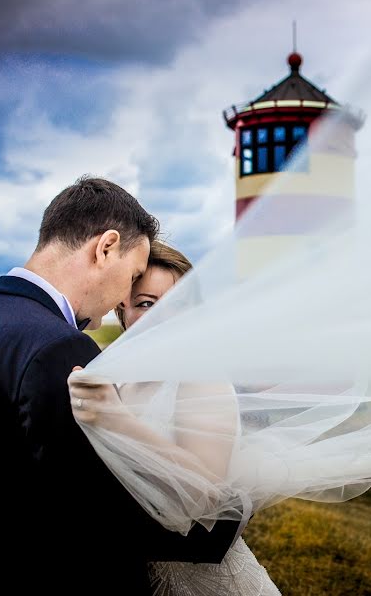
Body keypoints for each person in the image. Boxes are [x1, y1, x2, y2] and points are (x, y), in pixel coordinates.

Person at [0, 177, 241, 595]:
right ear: (105, 248)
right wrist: (222, 524)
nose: (125, 305)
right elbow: (87, 508)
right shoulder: (61, 349)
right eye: (132, 285)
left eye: (148, 299)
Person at [71, 241, 281, 596]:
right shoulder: (117, 376)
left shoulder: (202, 379)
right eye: (142, 303)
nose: (153, 317)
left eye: (171, 305)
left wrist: (115, 419)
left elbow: (203, 495)